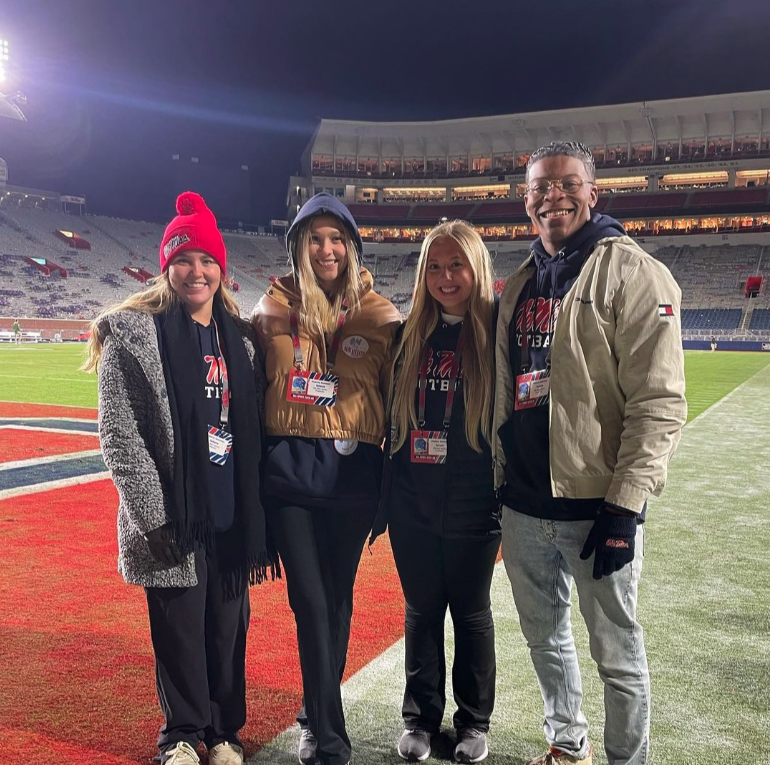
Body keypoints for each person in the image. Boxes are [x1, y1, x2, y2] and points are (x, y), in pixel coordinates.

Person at [493, 142, 687, 765]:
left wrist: (625, 507)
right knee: (546, 642)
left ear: (592, 192)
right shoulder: (520, 282)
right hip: (524, 503)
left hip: (596, 507)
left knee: (617, 653)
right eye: (539, 188)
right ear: (526, 202)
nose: (553, 196)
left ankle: (626, 759)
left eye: (566, 184)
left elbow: (658, 403)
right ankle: (566, 744)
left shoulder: (634, 273)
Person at [85, 192, 274, 765]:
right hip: (172, 513)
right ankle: (183, 735)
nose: (197, 271)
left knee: (226, 628)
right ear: (166, 266)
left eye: (207, 260)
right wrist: (154, 516)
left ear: (222, 268)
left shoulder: (240, 340)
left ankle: (223, 732)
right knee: (180, 633)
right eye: (184, 259)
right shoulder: (134, 335)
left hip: (230, 509)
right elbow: (121, 437)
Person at [251, 193, 400, 765]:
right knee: (310, 603)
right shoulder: (268, 313)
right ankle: (327, 739)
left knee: (338, 601)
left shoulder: (382, 316)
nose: (326, 249)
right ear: (298, 246)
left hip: (353, 477)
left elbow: (399, 401)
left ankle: (316, 713)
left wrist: (391, 483)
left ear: (352, 246)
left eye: (336, 238)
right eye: (315, 238)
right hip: (288, 474)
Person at [371, 221, 500, 764]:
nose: (446, 278)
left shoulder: (497, 335)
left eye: (457, 266)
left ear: (476, 269)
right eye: (436, 267)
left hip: (477, 502)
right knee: (422, 610)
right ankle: (420, 719)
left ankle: (473, 722)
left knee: (470, 612)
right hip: (413, 502)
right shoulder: (406, 336)